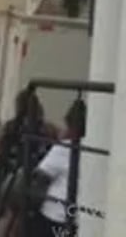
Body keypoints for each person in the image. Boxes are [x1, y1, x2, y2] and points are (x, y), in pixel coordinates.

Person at [0, 88, 55, 237]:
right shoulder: (47, 129)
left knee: (0, 216)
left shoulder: (11, 127)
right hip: (35, 179)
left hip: (9, 176)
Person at [25, 99, 87, 237]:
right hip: (77, 219)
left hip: (54, 216)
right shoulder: (88, 147)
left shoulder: (65, 148)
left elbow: (41, 176)